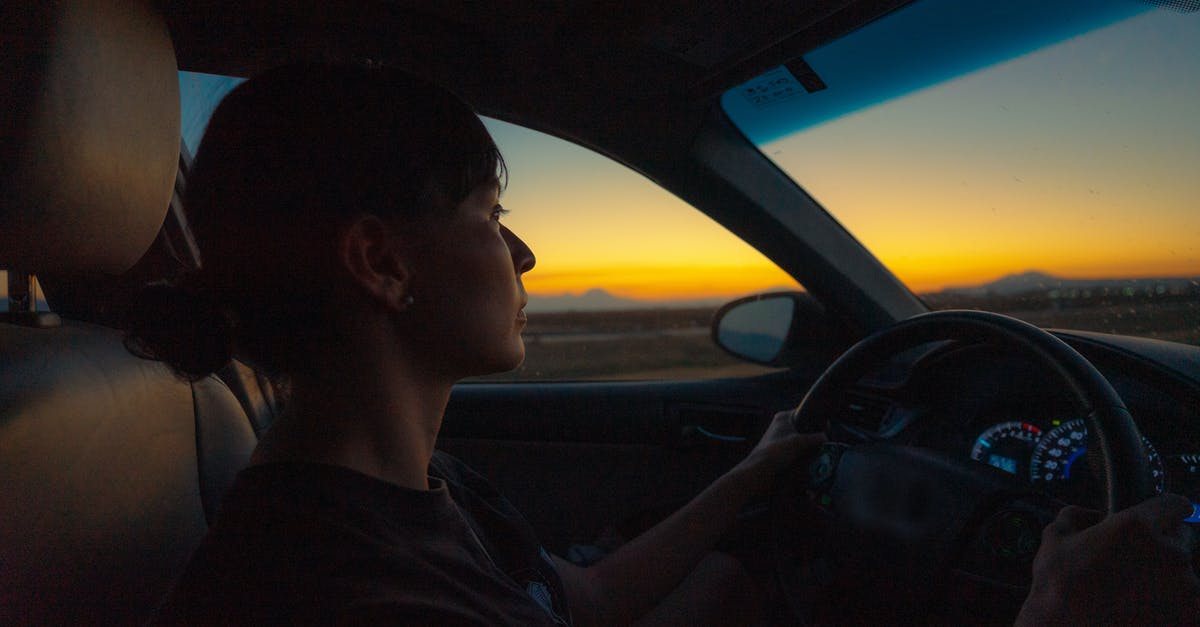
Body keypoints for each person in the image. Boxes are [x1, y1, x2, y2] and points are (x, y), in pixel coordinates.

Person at [128, 62, 1198, 626]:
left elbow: (578, 601)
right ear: (382, 263)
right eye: (486, 216)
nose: (525, 252)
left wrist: (760, 474)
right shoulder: (339, 596)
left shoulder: (405, 491)